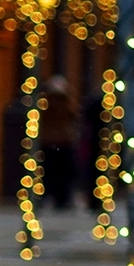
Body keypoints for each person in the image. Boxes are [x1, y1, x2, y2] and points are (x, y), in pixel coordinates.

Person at [38, 74, 78, 210]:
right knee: (61, 173)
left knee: (49, 172)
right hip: (62, 141)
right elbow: (73, 115)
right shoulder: (65, 102)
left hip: (49, 141)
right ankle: (61, 200)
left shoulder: (45, 103)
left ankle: (49, 197)